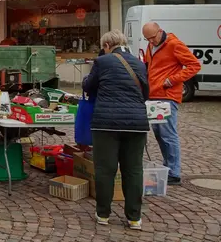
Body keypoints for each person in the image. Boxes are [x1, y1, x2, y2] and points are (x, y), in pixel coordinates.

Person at [83, 30, 149, 230]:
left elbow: (88, 86)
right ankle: (134, 218)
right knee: (134, 170)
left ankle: (103, 214)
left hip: (106, 123)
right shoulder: (139, 63)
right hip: (136, 123)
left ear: (106, 46)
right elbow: (145, 92)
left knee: (106, 170)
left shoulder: (102, 62)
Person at [142, 21, 200, 185]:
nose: (150, 42)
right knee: (160, 134)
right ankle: (169, 168)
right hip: (153, 95)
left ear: (160, 31)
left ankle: (174, 172)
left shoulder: (173, 44)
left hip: (167, 96)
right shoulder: (151, 46)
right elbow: (149, 67)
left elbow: (194, 65)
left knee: (168, 134)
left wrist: (172, 80)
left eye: (152, 38)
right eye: (147, 39)